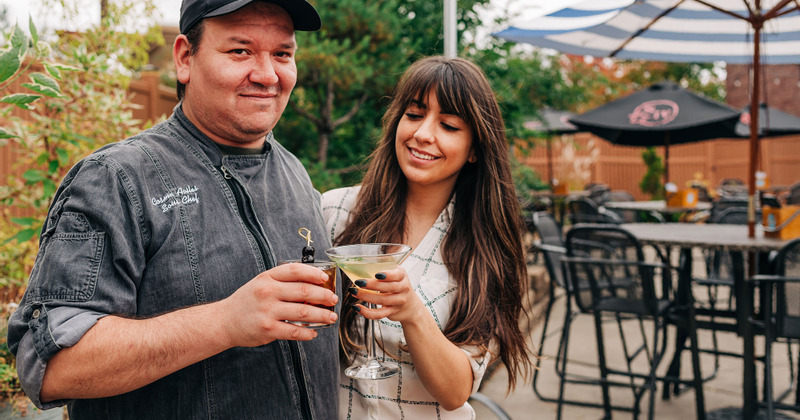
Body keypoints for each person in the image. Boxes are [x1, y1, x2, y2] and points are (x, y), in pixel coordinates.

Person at [7, 1, 341, 418]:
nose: (267, 74)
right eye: (240, 51)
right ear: (185, 57)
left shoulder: (293, 171)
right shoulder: (115, 178)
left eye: (282, 54)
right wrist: (224, 322)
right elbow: (51, 366)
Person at [322, 56, 532, 419]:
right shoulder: (335, 211)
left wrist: (412, 313)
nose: (423, 134)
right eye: (415, 115)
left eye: (449, 125)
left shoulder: (484, 249)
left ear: (475, 150)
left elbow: (455, 392)